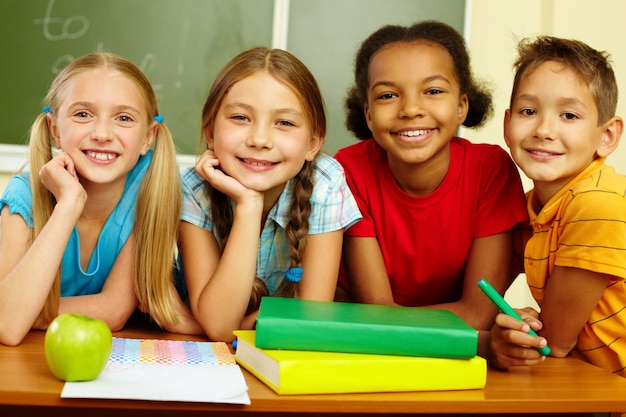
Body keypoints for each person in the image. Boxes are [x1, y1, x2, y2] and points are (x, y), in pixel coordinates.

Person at [334, 20, 528, 354]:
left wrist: (471, 331)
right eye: (388, 95)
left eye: (433, 91)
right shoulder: (348, 170)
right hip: (359, 349)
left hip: (441, 355)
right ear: (368, 114)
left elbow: (478, 313)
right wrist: (475, 340)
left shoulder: (490, 170)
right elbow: (377, 313)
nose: (410, 109)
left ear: (461, 106)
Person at [0, 52, 201, 346]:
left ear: (148, 136)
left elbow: (113, 310)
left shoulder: (151, 190)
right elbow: (7, 323)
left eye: (123, 118)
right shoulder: (23, 197)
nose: (102, 134)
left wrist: (26, 309)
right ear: (54, 129)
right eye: (83, 114)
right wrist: (67, 205)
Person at [178, 47, 362, 342]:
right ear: (210, 133)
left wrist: (253, 320)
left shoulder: (325, 184)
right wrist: (249, 205)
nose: (260, 139)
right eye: (240, 117)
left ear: (312, 143)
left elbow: (309, 318)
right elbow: (221, 327)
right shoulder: (193, 189)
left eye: (284, 123)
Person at [489, 36, 626, 378]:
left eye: (569, 115)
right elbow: (484, 293)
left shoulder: (598, 202)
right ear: (507, 126)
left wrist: (516, 330)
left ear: (606, 136)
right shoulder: (534, 207)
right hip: (595, 383)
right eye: (529, 111)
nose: (544, 130)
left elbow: (555, 342)